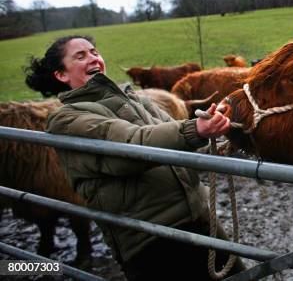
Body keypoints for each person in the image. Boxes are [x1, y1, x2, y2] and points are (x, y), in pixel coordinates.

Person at [25, 35, 242, 280]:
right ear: (61, 75)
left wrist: (223, 142)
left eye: (94, 52)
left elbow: (177, 141)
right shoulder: (66, 119)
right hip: (150, 239)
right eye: (80, 56)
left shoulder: (136, 100)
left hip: (199, 217)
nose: (93, 58)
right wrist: (196, 129)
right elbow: (132, 146)